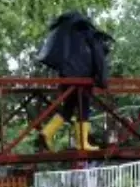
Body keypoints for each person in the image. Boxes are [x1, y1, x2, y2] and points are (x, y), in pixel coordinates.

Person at [35, 11, 114, 152]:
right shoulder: (89, 36)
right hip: (82, 79)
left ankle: (47, 132)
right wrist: (102, 80)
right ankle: (82, 143)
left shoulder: (67, 34)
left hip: (66, 76)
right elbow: (98, 60)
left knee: (68, 108)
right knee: (84, 108)